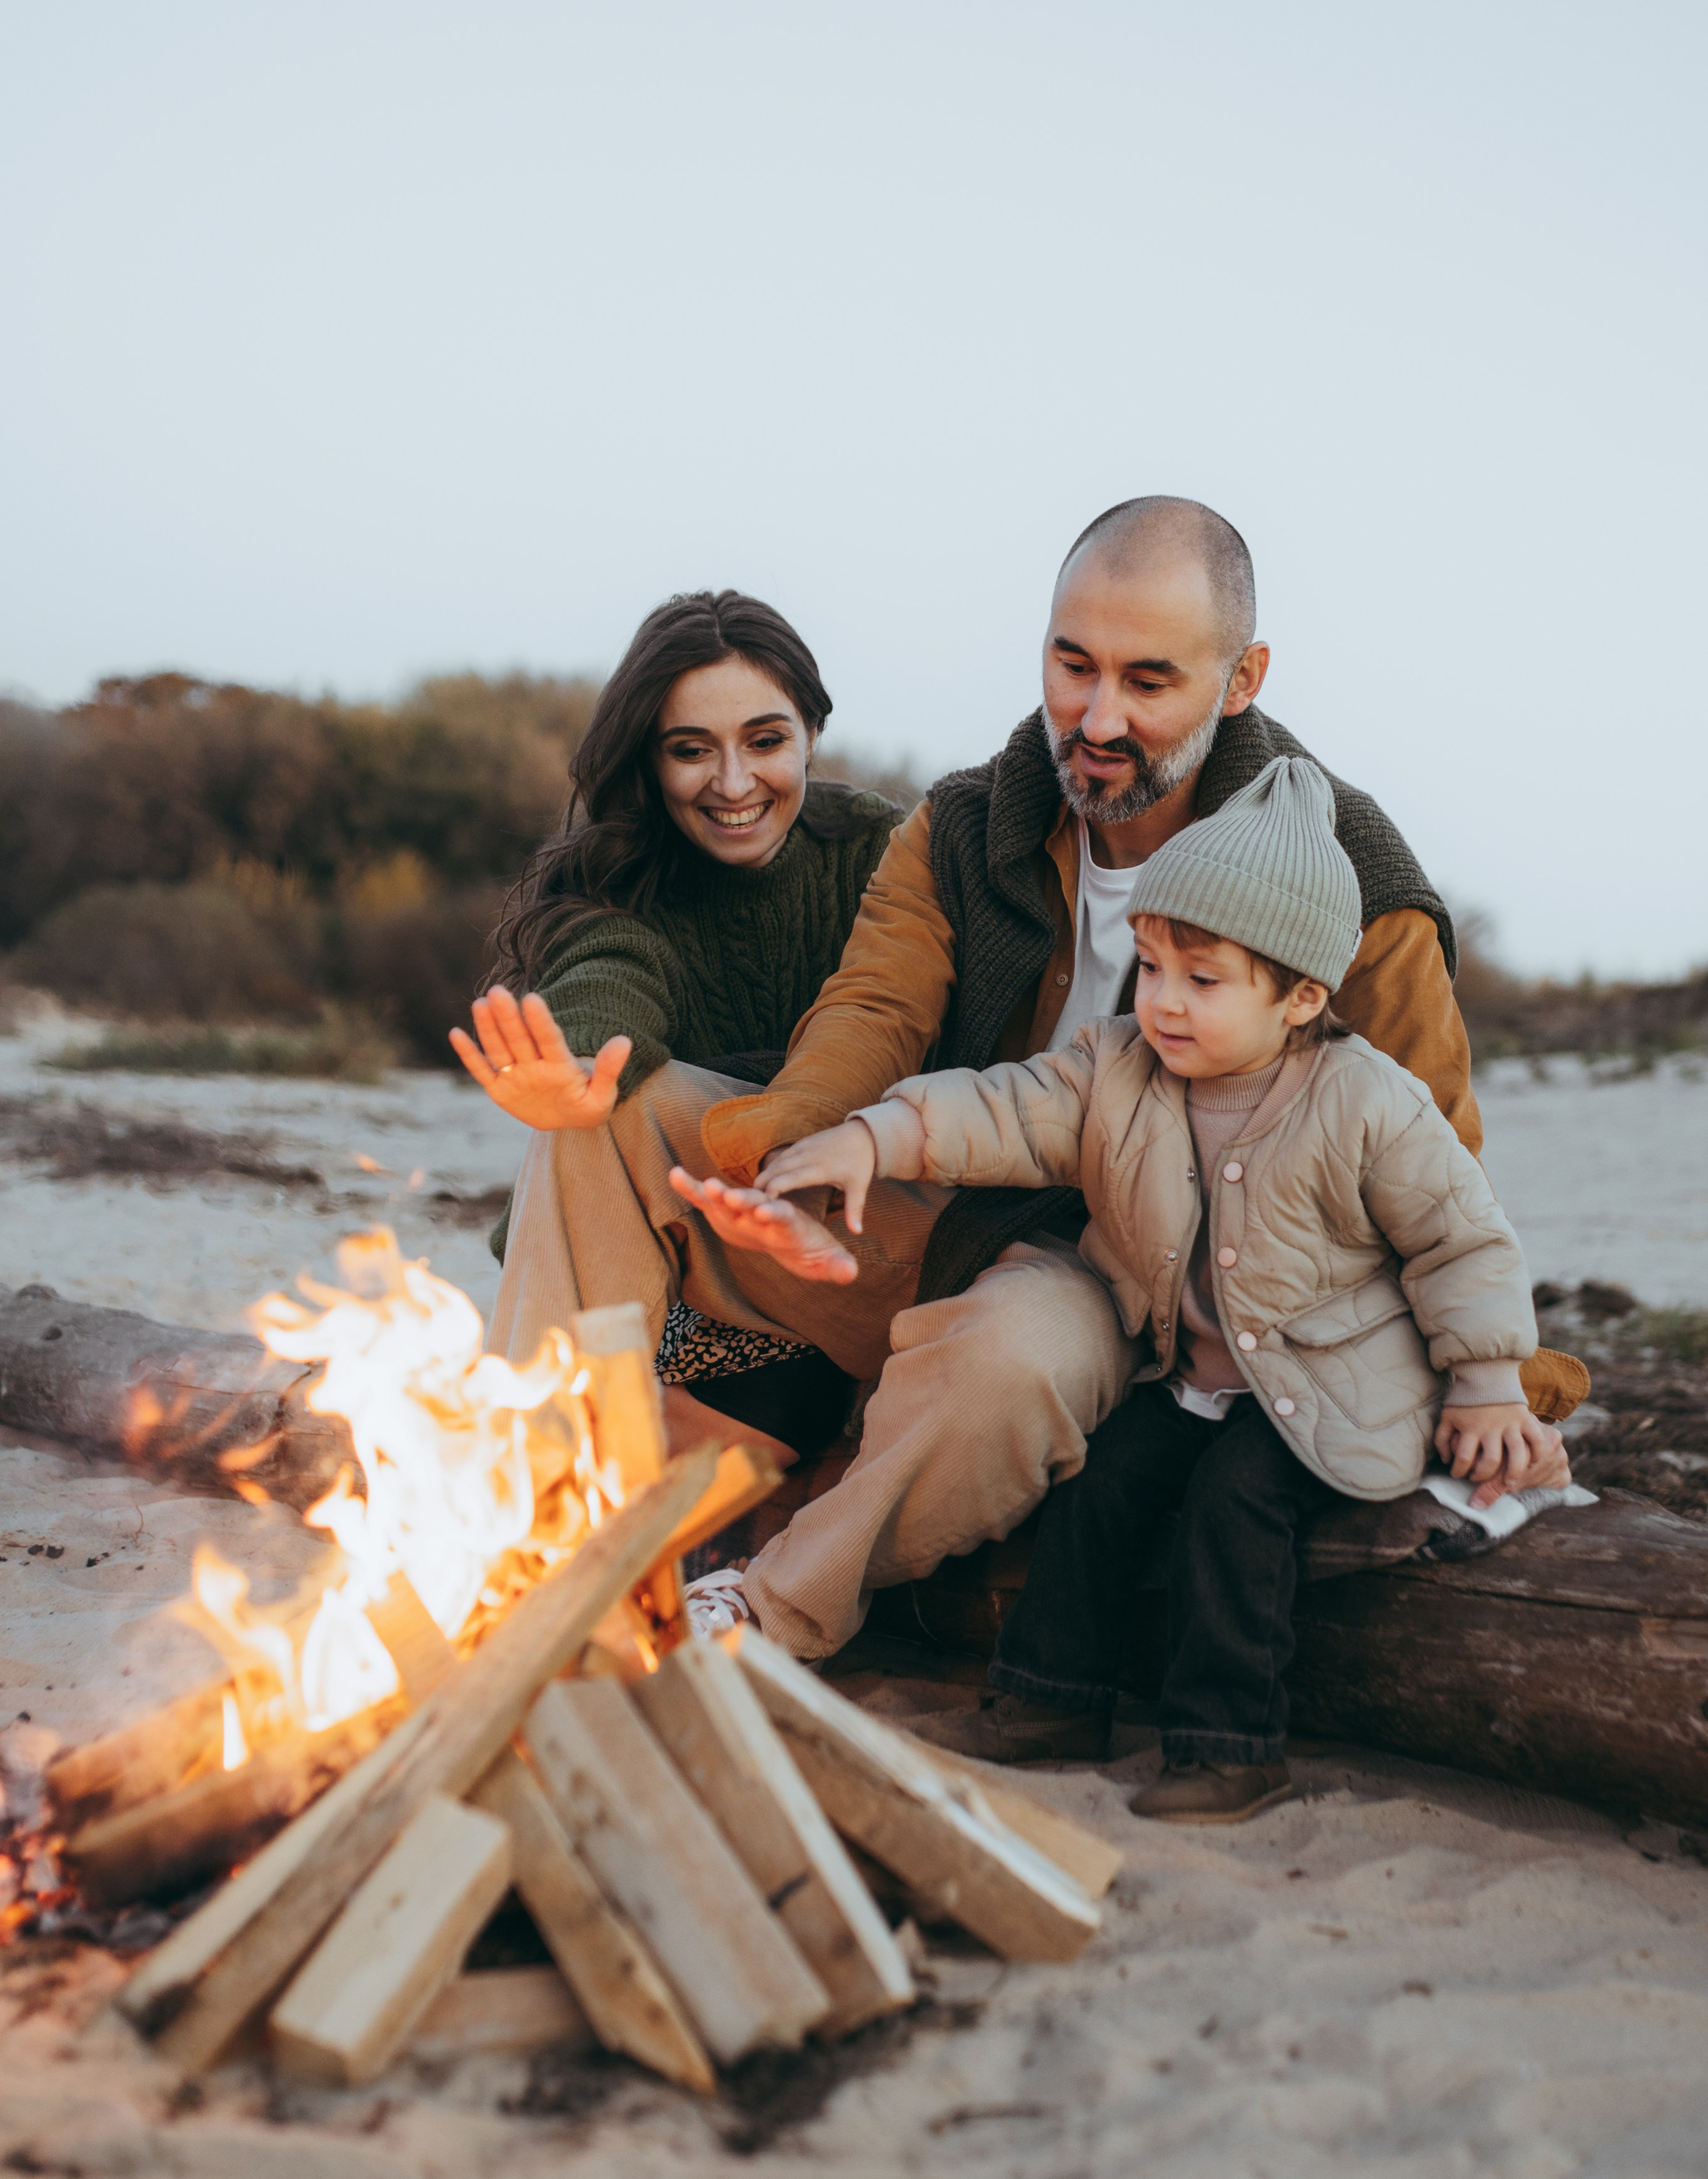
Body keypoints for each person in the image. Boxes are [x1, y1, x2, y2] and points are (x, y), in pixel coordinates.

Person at [665, 497, 1579, 1665]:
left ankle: (772, 1607)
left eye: (1149, 682)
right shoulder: (968, 821)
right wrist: (798, 1136)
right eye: (1071, 663)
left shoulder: (1350, 885)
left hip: (1145, 1302)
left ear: (1241, 678)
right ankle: (530, 1501)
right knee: (626, 1117)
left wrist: (1499, 1388)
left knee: (1009, 1359)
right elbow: (885, 1017)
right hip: (945, 1211)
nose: (1097, 719)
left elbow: (1441, 1188)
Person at [679, 757, 1547, 1815]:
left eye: (1204, 979)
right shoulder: (1122, 1067)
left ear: (1302, 996)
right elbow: (1004, 1109)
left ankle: (1230, 1745)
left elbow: (1462, 1240)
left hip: (1329, 1392)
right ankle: (1049, 1697)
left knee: (1234, 1509)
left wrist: (1490, 1381)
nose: (1166, 1003)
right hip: (1189, 1380)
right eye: (1151, 967)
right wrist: (876, 1135)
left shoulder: (1368, 1101)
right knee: (1105, 1485)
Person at [453, 588, 904, 1465]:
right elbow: (608, 976)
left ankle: (550, 1476)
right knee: (604, 1112)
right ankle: (535, 1501)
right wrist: (579, 1060)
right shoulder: (619, 879)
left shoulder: (883, 853)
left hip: (863, 1244)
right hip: (697, 1284)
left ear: (812, 729)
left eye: (765, 742)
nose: (733, 784)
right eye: (691, 751)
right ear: (651, 763)